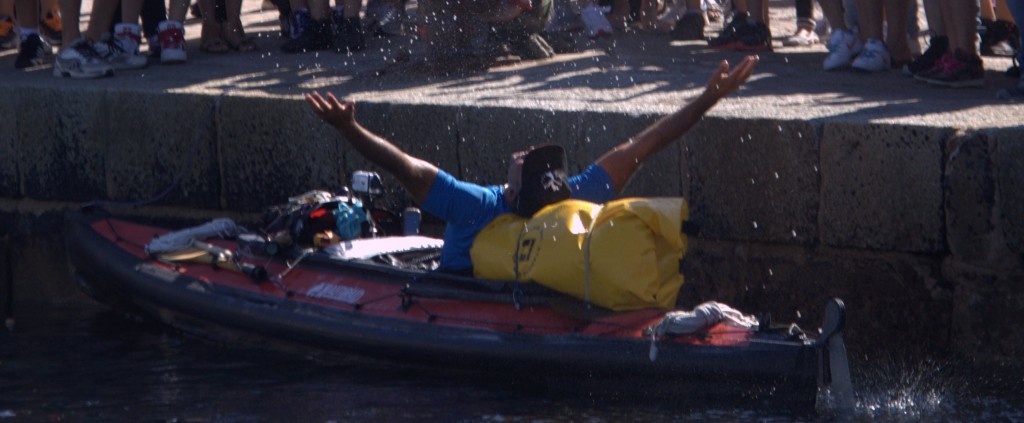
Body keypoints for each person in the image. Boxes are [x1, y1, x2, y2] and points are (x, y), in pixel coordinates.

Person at [304, 55, 759, 272]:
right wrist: (708, 98)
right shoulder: (574, 195)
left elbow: (404, 167)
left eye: (523, 161)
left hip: (456, 299)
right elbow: (648, 143)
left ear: (516, 190)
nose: (520, 154)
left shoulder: (478, 205)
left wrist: (348, 129)